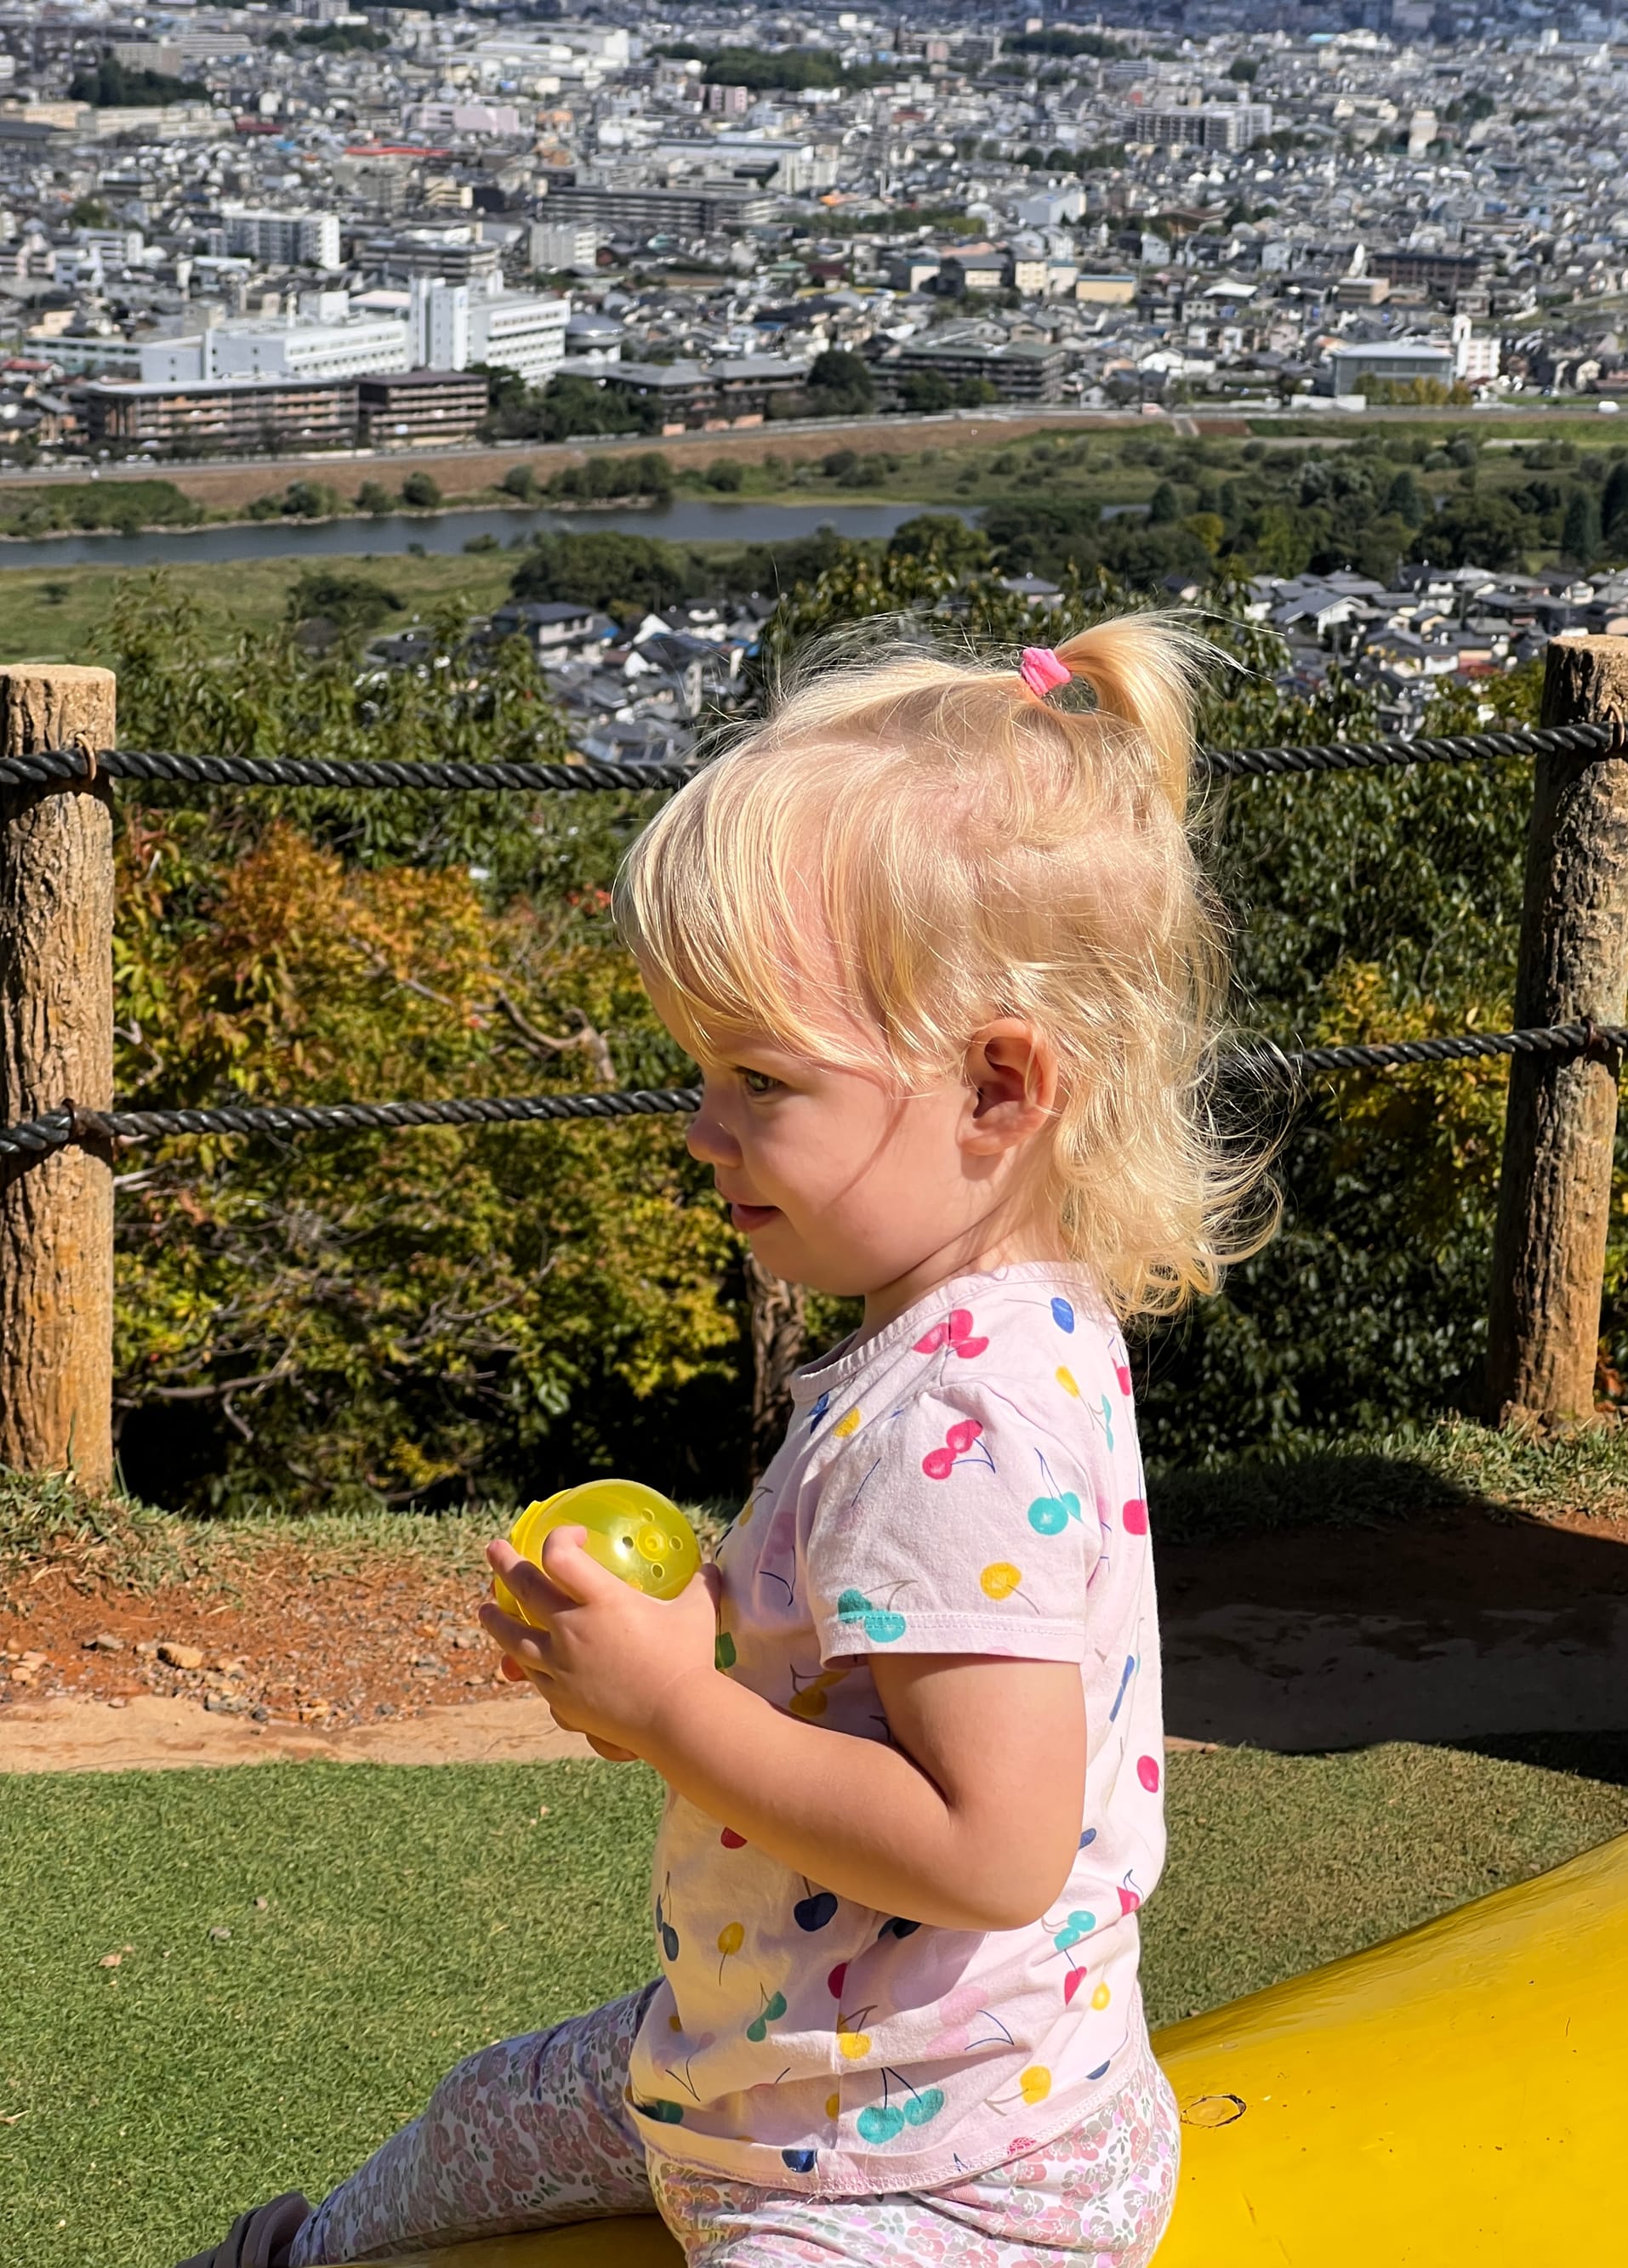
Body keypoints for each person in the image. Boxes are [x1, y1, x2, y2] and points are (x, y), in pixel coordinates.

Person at [179, 617, 1274, 2268]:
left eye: (758, 1078)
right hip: (770, 2071)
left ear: (998, 1088)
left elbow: (991, 1845)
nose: (700, 1129)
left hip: (941, 2166)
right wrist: (684, 1648)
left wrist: (675, 1709)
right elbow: (861, 1664)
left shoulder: (960, 1412)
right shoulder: (966, 1333)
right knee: (484, 2111)